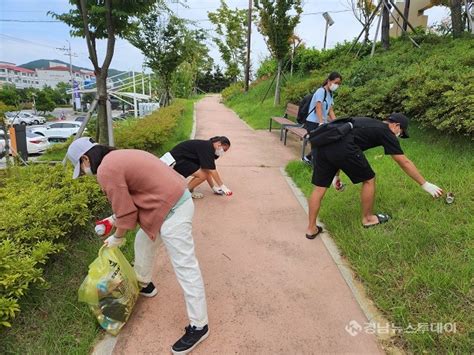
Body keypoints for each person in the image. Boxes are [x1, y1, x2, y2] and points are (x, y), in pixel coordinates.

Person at [67, 137, 209, 354]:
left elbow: (127, 212)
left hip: (173, 210)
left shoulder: (106, 170)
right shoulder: (117, 156)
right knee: (143, 241)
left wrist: (117, 236)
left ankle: (200, 326)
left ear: (86, 158)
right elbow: (135, 195)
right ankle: (145, 284)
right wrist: (114, 221)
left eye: (82, 167)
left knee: (185, 267)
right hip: (172, 199)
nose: (85, 171)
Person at [305, 113, 443, 239]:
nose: (398, 136)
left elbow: (337, 138)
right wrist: (425, 184)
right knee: (369, 180)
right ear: (396, 125)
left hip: (321, 147)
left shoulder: (367, 121)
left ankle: (311, 229)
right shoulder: (386, 132)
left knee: (318, 188)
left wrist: (336, 175)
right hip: (343, 148)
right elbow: (404, 162)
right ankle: (368, 219)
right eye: (400, 133)